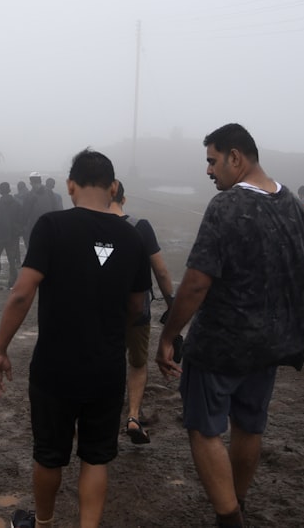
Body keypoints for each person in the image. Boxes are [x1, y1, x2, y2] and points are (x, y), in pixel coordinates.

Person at [155, 123, 304, 528]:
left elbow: (196, 282)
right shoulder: (294, 207)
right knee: (249, 425)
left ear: (236, 157)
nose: (209, 171)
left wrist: (169, 335)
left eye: (213, 161)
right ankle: (239, 502)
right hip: (270, 345)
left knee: (203, 427)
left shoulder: (227, 206)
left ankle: (230, 517)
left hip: (220, 345)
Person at [0, 149, 150, 528]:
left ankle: (43, 524)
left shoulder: (52, 226)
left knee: (49, 455)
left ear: (70, 185)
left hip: (55, 367)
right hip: (106, 369)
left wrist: (0, 350)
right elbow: (136, 306)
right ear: (113, 187)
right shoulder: (132, 237)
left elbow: (22, 293)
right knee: (96, 458)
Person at [106, 180, 174, 445]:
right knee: (136, 362)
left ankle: (102, 417)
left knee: (105, 361)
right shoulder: (140, 227)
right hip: (137, 311)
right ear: (124, 199)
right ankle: (133, 417)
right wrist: (171, 304)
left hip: (102, 311)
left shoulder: (91, 225)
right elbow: (161, 271)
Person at [0, 181, 23, 288]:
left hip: (0, 235)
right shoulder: (17, 204)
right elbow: (21, 220)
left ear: (0, 191)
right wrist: (17, 231)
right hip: (13, 236)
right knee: (12, 260)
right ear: (9, 191)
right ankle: (12, 282)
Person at [21, 172, 57, 251]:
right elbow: (56, 208)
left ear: (31, 183)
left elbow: (25, 213)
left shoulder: (29, 196)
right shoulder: (49, 193)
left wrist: (23, 225)